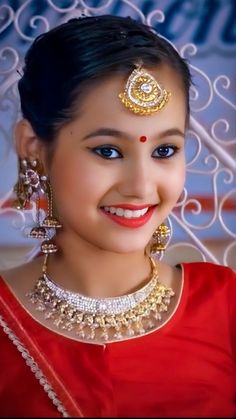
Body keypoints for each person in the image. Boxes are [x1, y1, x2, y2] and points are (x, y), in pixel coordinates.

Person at [0, 14, 235, 418]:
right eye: (108, 150)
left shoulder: (225, 306)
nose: (141, 186)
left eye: (164, 151)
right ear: (33, 146)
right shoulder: (7, 318)